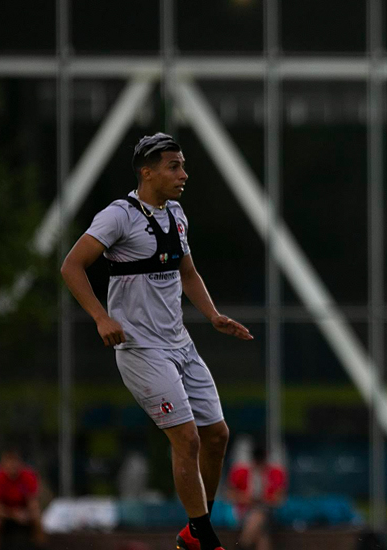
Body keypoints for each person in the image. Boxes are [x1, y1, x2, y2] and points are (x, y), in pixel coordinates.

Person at [61, 133, 254, 550]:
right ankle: (204, 537)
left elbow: (188, 273)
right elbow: (71, 266)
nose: (184, 175)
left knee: (217, 435)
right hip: (140, 350)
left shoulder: (176, 214)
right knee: (187, 439)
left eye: (183, 166)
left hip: (180, 344)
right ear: (147, 172)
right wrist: (101, 317)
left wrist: (213, 315)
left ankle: (196, 528)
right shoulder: (118, 216)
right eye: (174, 166)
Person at [226, 443, 287, 550]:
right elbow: (229, 494)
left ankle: (244, 543)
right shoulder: (241, 472)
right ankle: (244, 543)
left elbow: (279, 498)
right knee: (262, 533)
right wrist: (246, 499)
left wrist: (264, 500)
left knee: (258, 515)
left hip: (269, 511)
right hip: (246, 512)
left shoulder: (276, 473)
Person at [0, 448, 46, 549]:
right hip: (5, 511)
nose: (12, 467)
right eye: (9, 464)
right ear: (3, 465)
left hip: (24, 510)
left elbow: (33, 503)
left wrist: (27, 513)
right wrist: (13, 514)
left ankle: (40, 545)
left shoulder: (28, 475)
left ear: (20, 464)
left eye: (14, 464)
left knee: (37, 516)